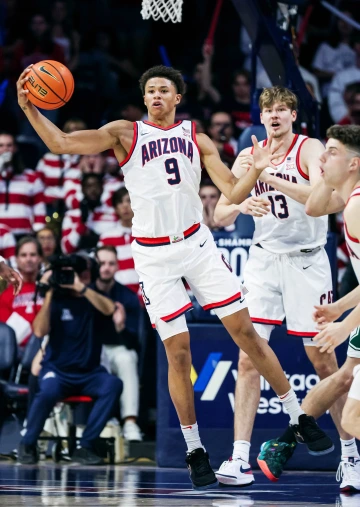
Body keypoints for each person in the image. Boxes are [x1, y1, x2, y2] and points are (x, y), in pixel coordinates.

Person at [16, 64, 332, 489]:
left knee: (247, 334)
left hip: (196, 245)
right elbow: (61, 143)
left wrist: (255, 169)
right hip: (152, 256)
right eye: (150, 91)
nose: (157, 96)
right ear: (144, 99)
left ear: (178, 97)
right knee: (178, 353)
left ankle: (299, 417)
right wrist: (30, 109)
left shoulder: (195, 138)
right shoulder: (125, 133)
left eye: (164, 90)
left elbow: (233, 194)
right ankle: (194, 448)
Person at [213, 86, 348, 487]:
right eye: (267, 110)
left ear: (293, 115)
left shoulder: (310, 150)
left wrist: (267, 175)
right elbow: (219, 212)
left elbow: (323, 197)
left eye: (281, 110)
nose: (273, 116)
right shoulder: (247, 155)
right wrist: (242, 203)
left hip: (307, 260)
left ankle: (351, 455)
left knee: (322, 360)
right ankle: (239, 458)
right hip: (264, 260)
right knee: (247, 357)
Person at [258, 125, 360, 493]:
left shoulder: (358, 206)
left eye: (331, 152)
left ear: (353, 164)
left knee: (348, 394)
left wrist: (344, 324)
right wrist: (339, 309)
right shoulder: (348, 201)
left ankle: (285, 440)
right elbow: (315, 206)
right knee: (345, 383)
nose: (321, 156)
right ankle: (286, 441)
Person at [17, 254, 122, 465]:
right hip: (58, 371)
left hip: (90, 373)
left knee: (113, 384)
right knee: (47, 390)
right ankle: (27, 443)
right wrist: (49, 294)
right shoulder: (54, 301)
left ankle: (86, 445)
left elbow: (110, 309)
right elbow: (39, 331)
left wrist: (79, 287)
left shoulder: (92, 297)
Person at [95, 245, 142, 441]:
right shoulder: (85, 292)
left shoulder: (127, 298)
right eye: (101, 263)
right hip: (91, 349)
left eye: (111, 264)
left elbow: (135, 342)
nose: (106, 268)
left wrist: (121, 327)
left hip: (116, 348)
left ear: (117, 267)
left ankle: (130, 422)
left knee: (127, 358)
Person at [0, 237, 43, 348]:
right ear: (17, 259)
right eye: (23, 255)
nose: (28, 259)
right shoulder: (7, 293)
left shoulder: (50, 289)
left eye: (33, 255)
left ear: (40, 258)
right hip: (18, 350)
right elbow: (5, 330)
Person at [98, 187, 139, 294]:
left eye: (129, 201)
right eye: (120, 202)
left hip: (148, 298)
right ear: (115, 208)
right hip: (116, 296)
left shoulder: (148, 234)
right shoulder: (106, 238)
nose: (125, 206)